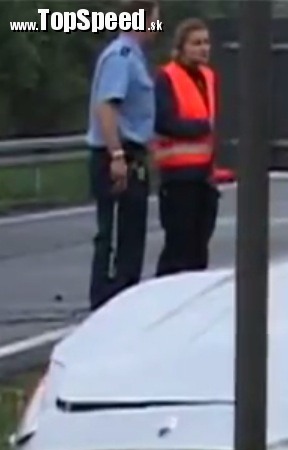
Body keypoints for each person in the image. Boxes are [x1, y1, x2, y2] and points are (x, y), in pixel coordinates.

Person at [85, 0, 161, 310]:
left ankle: (123, 298)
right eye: (155, 18)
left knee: (132, 235)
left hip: (131, 153)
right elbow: (106, 106)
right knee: (117, 235)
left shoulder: (135, 58)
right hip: (117, 155)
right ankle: (108, 300)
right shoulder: (122, 57)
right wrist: (116, 154)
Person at [153, 17, 233, 277]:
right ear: (182, 47)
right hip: (178, 177)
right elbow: (164, 121)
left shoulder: (208, 77)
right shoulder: (167, 77)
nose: (203, 48)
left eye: (206, 43)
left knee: (200, 247)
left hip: (204, 176)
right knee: (179, 247)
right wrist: (200, 127)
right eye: (196, 43)